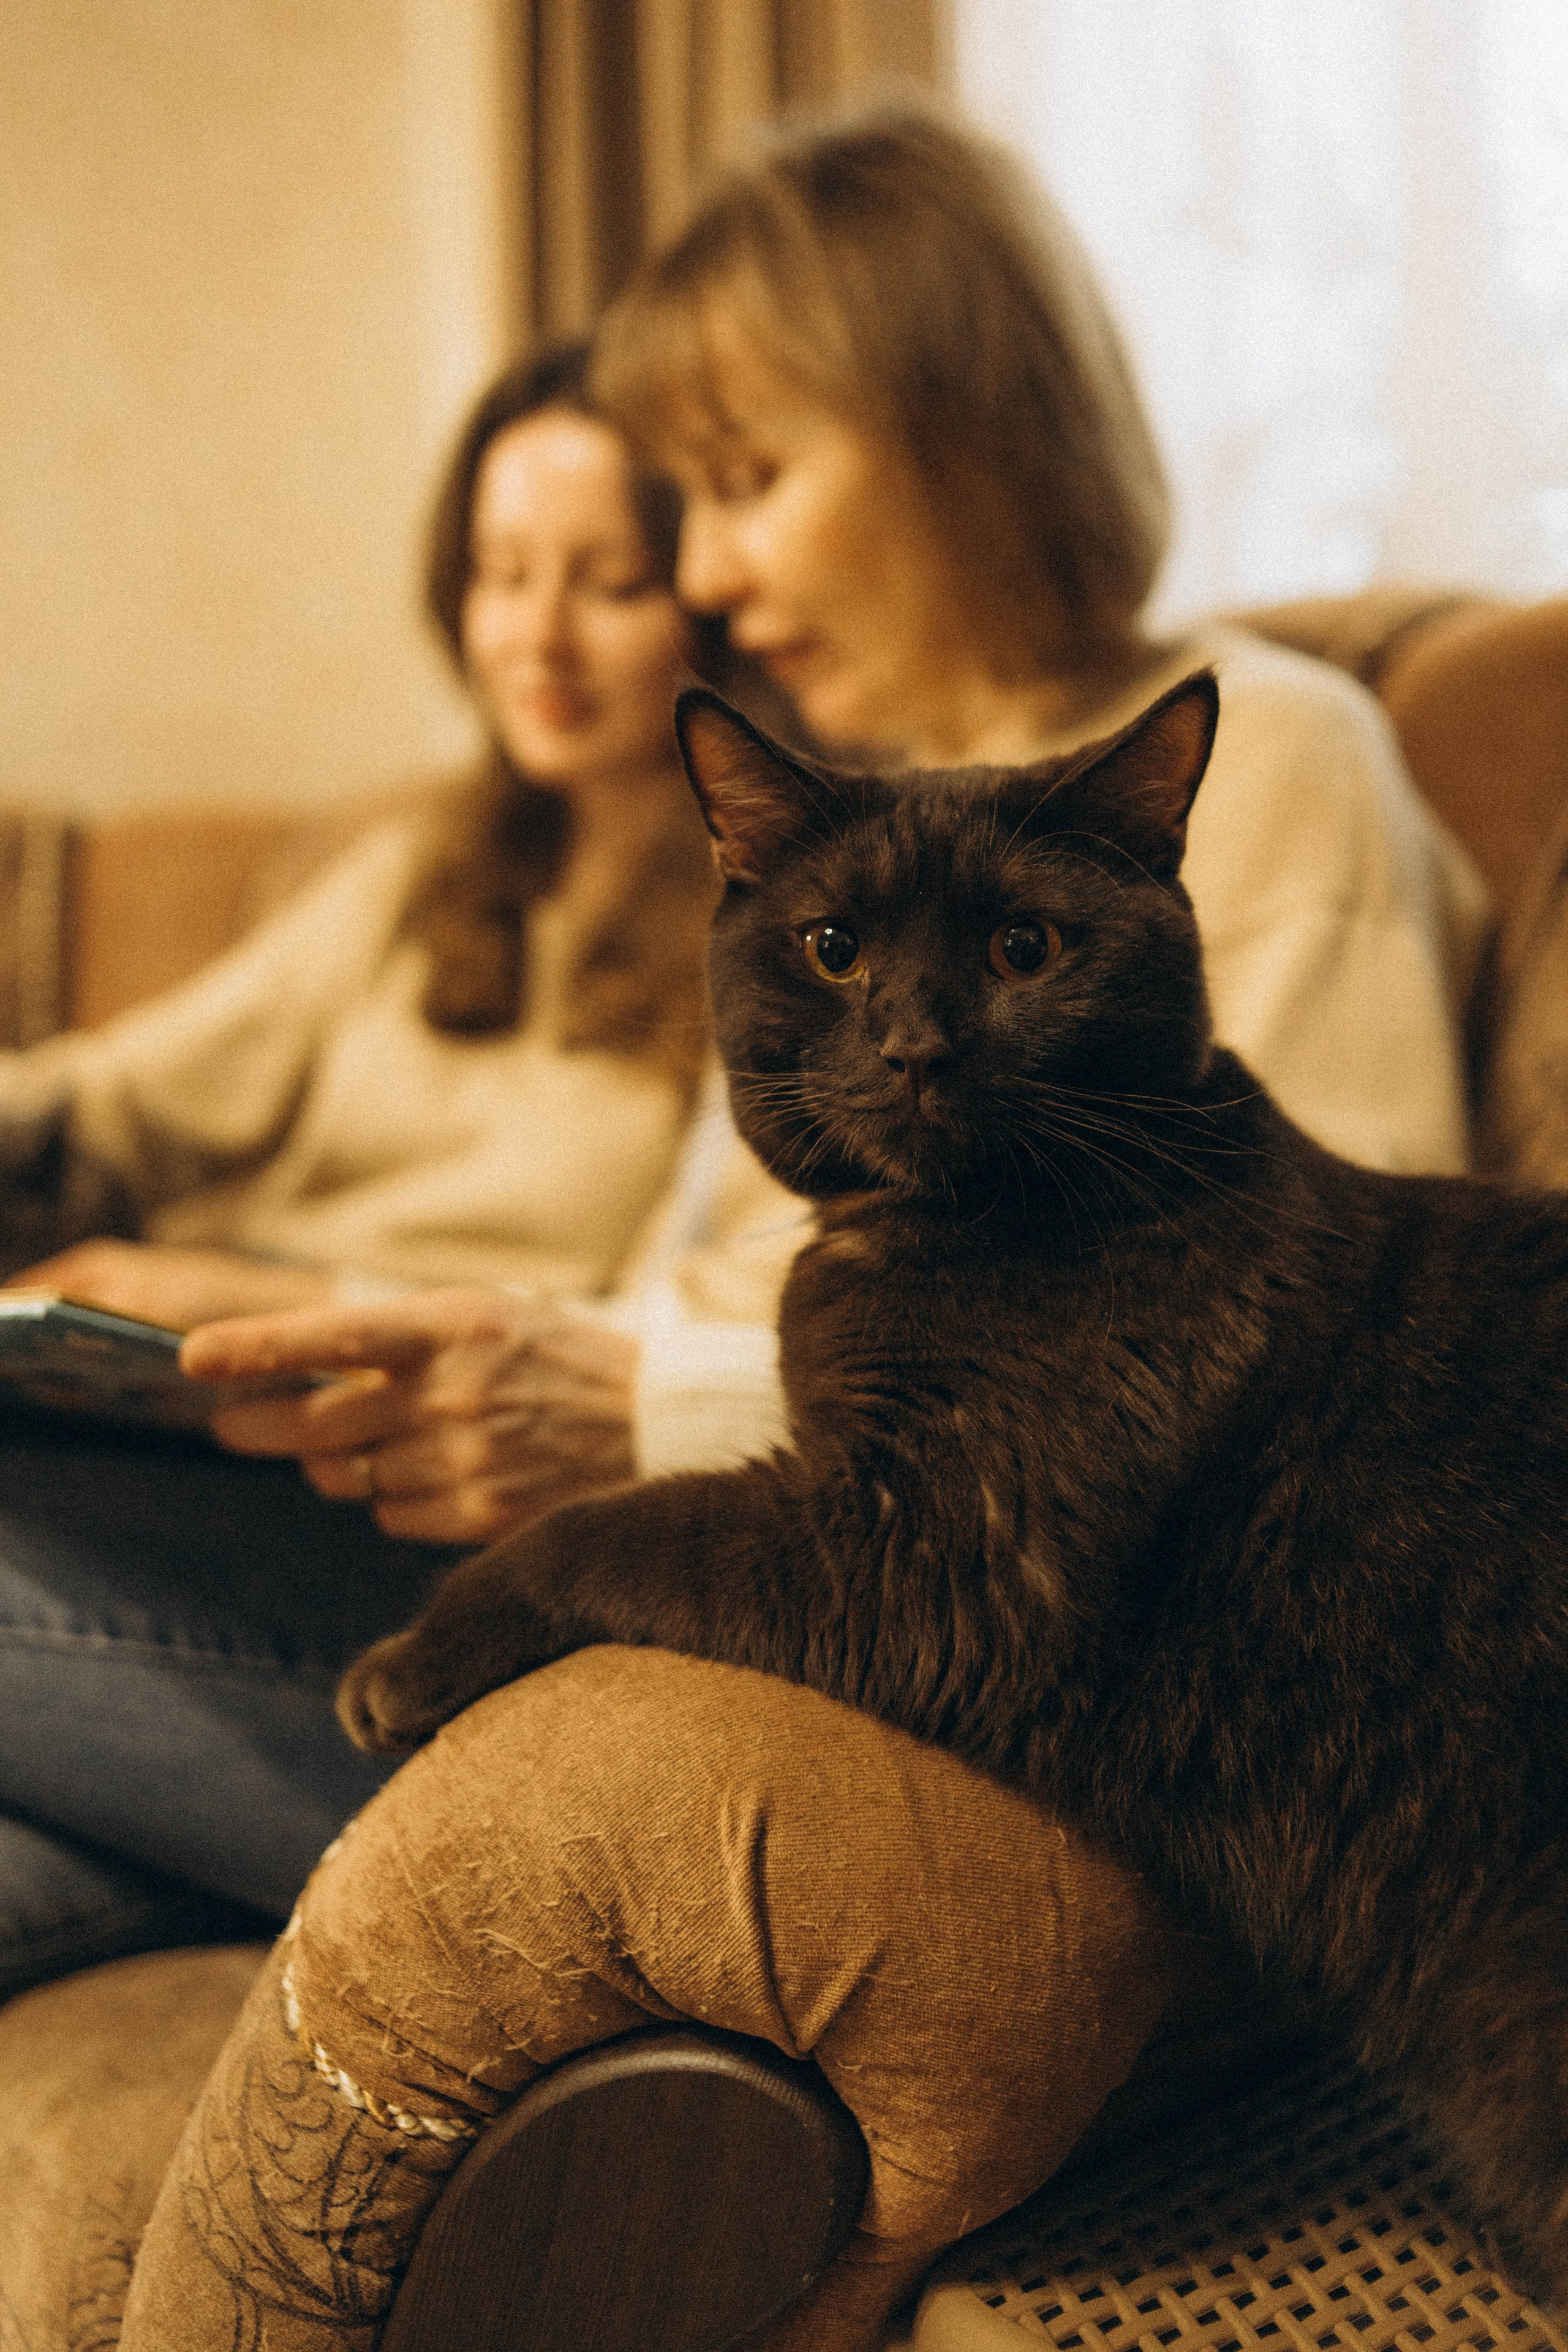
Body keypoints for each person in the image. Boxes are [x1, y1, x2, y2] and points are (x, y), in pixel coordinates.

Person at [105, 106, 1498, 2350]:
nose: (709, 582)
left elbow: (1221, 1383)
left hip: (809, 1632)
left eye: (739, 488)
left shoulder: (1270, 770)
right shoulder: (833, 853)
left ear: (960, 421)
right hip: (638, 1546)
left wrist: (608, 1406)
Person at [0, 340, 747, 1994]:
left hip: (418, 1531)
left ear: (703, 592)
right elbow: (109, 1108)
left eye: (605, 583)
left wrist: (282, 1300)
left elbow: (644, 1347)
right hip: (174, 1450)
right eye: (498, 575)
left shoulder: (772, 920)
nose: (535, 637)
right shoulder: (423, 870)